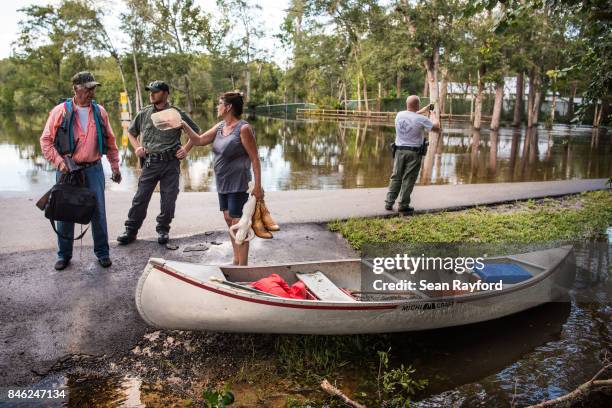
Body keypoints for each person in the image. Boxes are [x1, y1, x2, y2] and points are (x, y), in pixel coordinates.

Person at [40, 71, 122, 270]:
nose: (91, 92)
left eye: (93, 88)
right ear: (76, 89)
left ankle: (102, 253)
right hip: (67, 170)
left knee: (98, 214)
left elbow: (111, 142)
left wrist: (115, 167)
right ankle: (64, 255)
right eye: (87, 88)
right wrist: (60, 163)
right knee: (65, 212)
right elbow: (46, 141)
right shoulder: (60, 111)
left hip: (94, 169)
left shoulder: (100, 111)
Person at [181, 91, 263, 265]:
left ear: (228, 107)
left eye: (219, 104)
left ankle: (243, 265)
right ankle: (236, 259)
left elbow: (255, 158)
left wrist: (257, 186)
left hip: (238, 183)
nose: (217, 107)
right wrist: (184, 125)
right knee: (229, 220)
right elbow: (199, 140)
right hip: (223, 183)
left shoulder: (244, 128)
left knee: (239, 224)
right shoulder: (220, 127)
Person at [116, 80, 200, 245]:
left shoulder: (176, 113)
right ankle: (131, 231)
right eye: (150, 91)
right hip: (150, 163)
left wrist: (186, 148)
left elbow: (196, 132)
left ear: (165, 93)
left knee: (169, 200)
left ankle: (163, 229)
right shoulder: (145, 113)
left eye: (155, 91)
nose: (151, 94)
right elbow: (131, 133)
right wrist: (137, 147)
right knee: (140, 199)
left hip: (171, 163)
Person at [385, 95, 441, 215]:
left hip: (399, 151)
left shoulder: (399, 115)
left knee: (396, 177)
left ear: (407, 104)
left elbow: (412, 114)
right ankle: (403, 205)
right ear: (417, 105)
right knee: (408, 179)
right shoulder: (421, 119)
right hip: (413, 153)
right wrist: (433, 115)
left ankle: (389, 203)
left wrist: (424, 109)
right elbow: (436, 128)